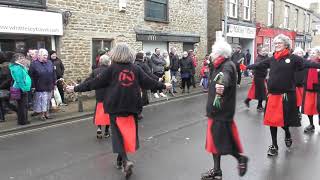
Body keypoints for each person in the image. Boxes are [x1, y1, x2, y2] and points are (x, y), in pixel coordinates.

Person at [66, 43, 171, 178]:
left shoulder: (111, 69)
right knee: (128, 134)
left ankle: (125, 160)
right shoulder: (136, 68)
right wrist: (163, 85)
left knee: (118, 135)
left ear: (115, 54)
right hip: (133, 107)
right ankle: (121, 159)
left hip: (116, 107)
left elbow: (93, 83)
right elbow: (149, 82)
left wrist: (75, 88)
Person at [246, 34, 320, 156]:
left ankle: (287, 133)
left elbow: (309, 64)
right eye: (275, 43)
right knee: (271, 121)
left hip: (286, 96)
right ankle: (274, 145)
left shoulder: (293, 58)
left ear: (286, 44)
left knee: (284, 121)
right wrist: (246, 67)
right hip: (272, 96)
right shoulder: (272, 58)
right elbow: (259, 65)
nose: (277, 45)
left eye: (279, 43)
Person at [201, 40, 248, 180]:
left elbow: (225, 77)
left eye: (213, 52)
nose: (211, 54)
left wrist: (222, 85)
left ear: (219, 54)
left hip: (222, 111)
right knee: (214, 142)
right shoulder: (217, 65)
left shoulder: (227, 65)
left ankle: (240, 159)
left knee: (222, 142)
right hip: (215, 110)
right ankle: (217, 171)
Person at [88, 55, 111, 138]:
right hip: (108, 95)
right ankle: (106, 131)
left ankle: (99, 128)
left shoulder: (95, 71)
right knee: (108, 114)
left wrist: (78, 86)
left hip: (99, 94)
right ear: (108, 62)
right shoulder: (110, 71)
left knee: (99, 112)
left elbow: (89, 81)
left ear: (100, 62)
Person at [29, 49, 56, 120]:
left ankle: (47, 113)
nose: (45, 57)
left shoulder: (50, 62)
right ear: (39, 56)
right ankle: (42, 114)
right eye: (44, 55)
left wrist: (54, 83)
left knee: (48, 100)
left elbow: (53, 73)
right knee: (41, 101)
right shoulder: (34, 64)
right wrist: (33, 86)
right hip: (39, 85)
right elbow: (30, 76)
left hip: (49, 85)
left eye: (46, 55)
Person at [134, 51, 160, 120]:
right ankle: (138, 114)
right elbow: (149, 74)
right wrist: (157, 78)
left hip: (134, 85)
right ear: (142, 57)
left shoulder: (133, 63)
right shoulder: (143, 65)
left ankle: (135, 113)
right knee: (141, 99)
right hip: (142, 84)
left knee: (136, 99)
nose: (144, 57)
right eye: (143, 56)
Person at [9, 53, 32, 125]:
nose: (23, 59)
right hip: (21, 88)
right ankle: (23, 121)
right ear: (17, 59)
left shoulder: (18, 66)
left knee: (22, 105)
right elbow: (19, 80)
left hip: (22, 88)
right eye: (21, 58)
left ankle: (22, 120)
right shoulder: (17, 68)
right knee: (23, 105)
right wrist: (23, 89)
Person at [244, 47, 268, 111]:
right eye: (263, 51)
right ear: (259, 52)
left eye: (266, 50)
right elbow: (256, 66)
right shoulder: (259, 59)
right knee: (262, 92)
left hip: (263, 77)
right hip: (258, 77)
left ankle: (247, 100)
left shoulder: (265, 57)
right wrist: (250, 70)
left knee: (256, 91)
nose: (265, 52)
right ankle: (259, 106)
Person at [302, 48, 320, 133]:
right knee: (309, 107)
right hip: (309, 89)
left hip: (318, 89)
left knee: (319, 106)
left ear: (318, 54)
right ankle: (311, 124)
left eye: (314, 53)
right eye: (311, 53)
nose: (312, 54)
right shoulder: (306, 63)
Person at [292, 47, 306, 120]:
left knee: (300, 100)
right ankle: (295, 112)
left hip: (302, 84)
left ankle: (298, 112)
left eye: (300, 53)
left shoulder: (305, 62)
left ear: (302, 54)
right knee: (294, 100)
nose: (298, 54)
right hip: (294, 84)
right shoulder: (292, 62)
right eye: (297, 53)